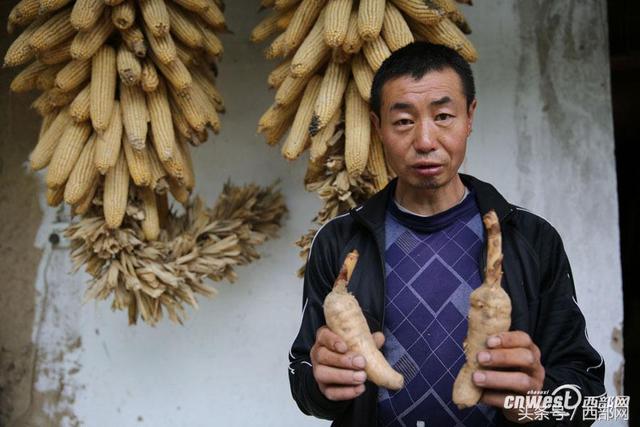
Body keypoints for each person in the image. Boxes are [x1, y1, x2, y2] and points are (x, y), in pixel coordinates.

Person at [287, 42, 605, 426]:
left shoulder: (531, 239)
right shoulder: (340, 243)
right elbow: (303, 381)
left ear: (469, 116)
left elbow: (591, 398)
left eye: (443, 116)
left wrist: (538, 403)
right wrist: (322, 384)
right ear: (378, 128)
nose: (425, 141)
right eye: (403, 121)